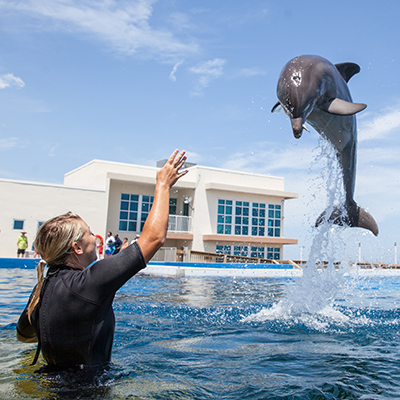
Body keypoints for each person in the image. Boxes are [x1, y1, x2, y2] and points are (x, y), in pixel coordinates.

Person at [16, 150, 188, 370]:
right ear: (76, 247)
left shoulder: (43, 286)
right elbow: (153, 239)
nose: (94, 236)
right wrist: (163, 185)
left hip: (47, 384)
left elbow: (24, 335)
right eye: (88, 233)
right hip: (88, 391)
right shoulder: (89, 283)